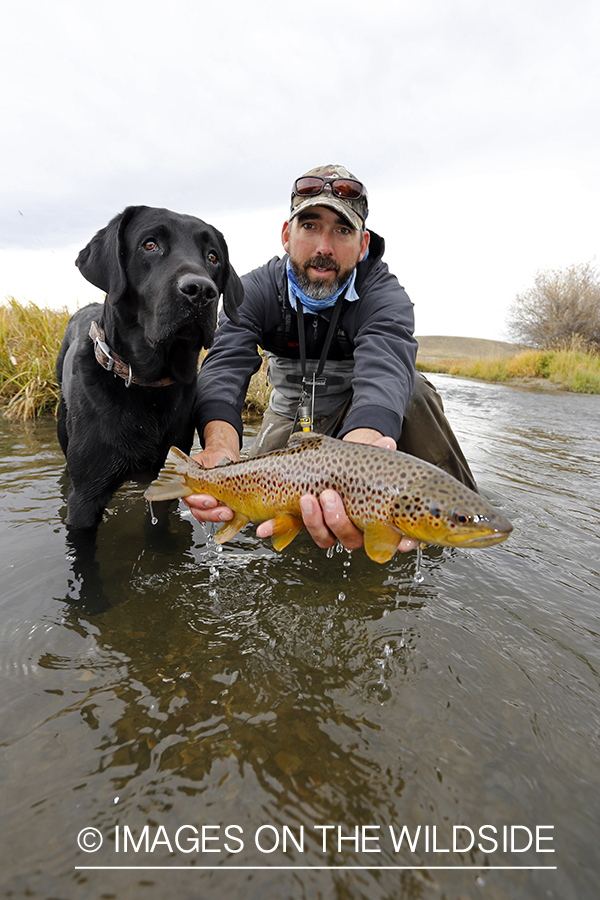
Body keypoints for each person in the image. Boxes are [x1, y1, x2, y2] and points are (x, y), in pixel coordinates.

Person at [185, 164, 476, 556]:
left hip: (362, 423)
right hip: (291, 418)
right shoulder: (254, 289)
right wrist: (220, 447)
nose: (324, 247)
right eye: (310, 226)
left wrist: (355, 472)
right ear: (287, 236)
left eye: (342, 231)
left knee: (415, 392)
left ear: (363, 245)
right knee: (263, 526)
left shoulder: (385, 295)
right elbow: (225, 364)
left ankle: (462, 526)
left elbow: (387, 366)